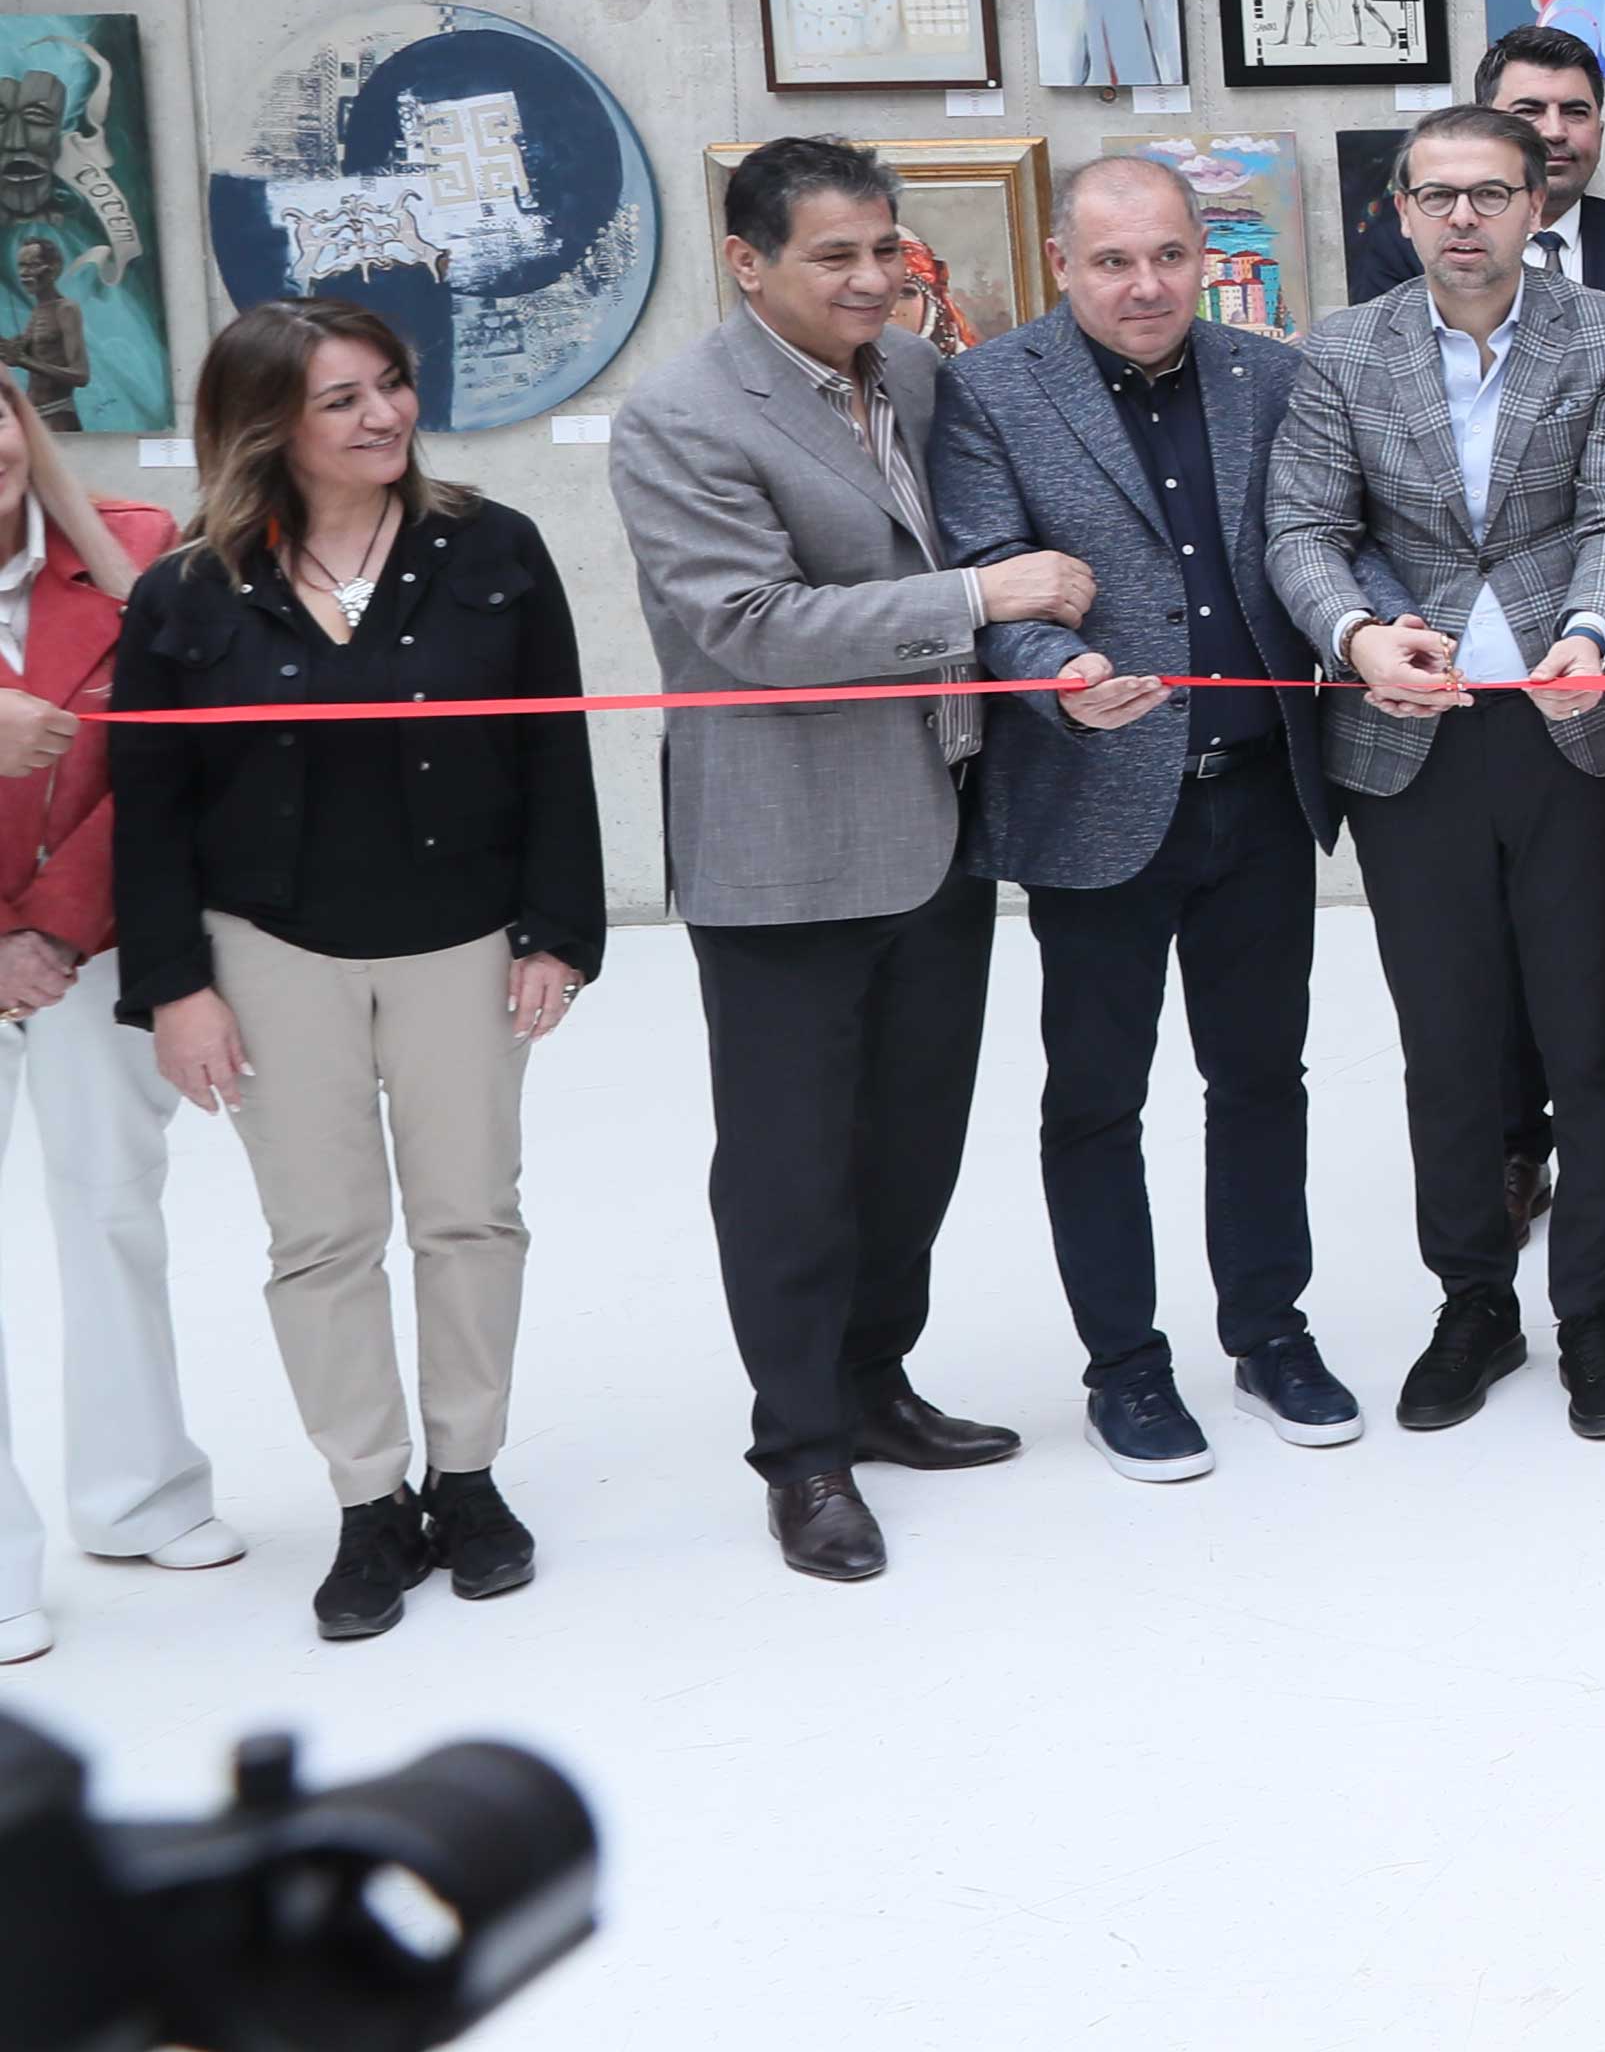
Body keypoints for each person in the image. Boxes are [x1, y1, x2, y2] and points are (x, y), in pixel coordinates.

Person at [614, 142, 1081, 1584]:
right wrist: (973, 597)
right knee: (789, 1167)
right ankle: (802, 1452)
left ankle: (877, 1383)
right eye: (835, 256)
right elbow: (749, 628)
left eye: (886, 248)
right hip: (786, 845)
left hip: (937, 829)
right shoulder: (683, 418)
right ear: (746, 262)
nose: (873, 278)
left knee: (911, 1144)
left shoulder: (919, 377)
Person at [120, 300, 603, 1637]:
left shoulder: (494, 547)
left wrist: (558, 932)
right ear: (266, 422)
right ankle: (369, 1502)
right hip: (267, 951)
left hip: (463, 939)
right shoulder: (186, 591)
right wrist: (176, 985)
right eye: (342, 399)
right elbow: (150, 809)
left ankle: (469, 1478)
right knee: (322, 1237)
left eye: (390, 384)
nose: (385, 413)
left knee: (470, 1216)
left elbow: (555, 750)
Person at [924, 154, 1358, 1483]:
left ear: (1200, 254)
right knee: (1097, 1100)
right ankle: (1124, 1365)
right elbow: (988, 579)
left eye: (1169, 254)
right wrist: (1060, 677)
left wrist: (1378, 628)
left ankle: (1270, 1335)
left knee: (1262, 1081)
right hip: (1095, 798)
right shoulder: (990, 390)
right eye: (1113, 261)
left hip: (1260, 796)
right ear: (1064, 263)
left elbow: (1324, 540)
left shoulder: (1269, 375)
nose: (1147, 284)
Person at [1263, 102, 1605, 1447]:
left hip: (1573, 730)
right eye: (1436, 195)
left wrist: (1592, 629)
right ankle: (1474, 1303)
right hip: (1409, 739)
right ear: (1401, 211)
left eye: (1490, 193)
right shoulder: (1342, 351)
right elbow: (1304, 530)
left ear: (1535, 206)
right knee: (1447, 1049)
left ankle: (1594, 1311)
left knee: (1590, 1043)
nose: (1462, 218)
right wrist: (1359, 635)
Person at [0, 390, 230, 1660]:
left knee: (112, 1212)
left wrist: (50, 927)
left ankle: (140, 1496)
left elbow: (166, 765)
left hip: (86, 944)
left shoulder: (137, 547)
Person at [1346, 22, 1605, 382]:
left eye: (1575, 112)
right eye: (1529, 111)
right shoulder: (1404, 249)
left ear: (1599, 131)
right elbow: (1379, 386)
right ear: (1482, 127)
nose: (1554, 131)